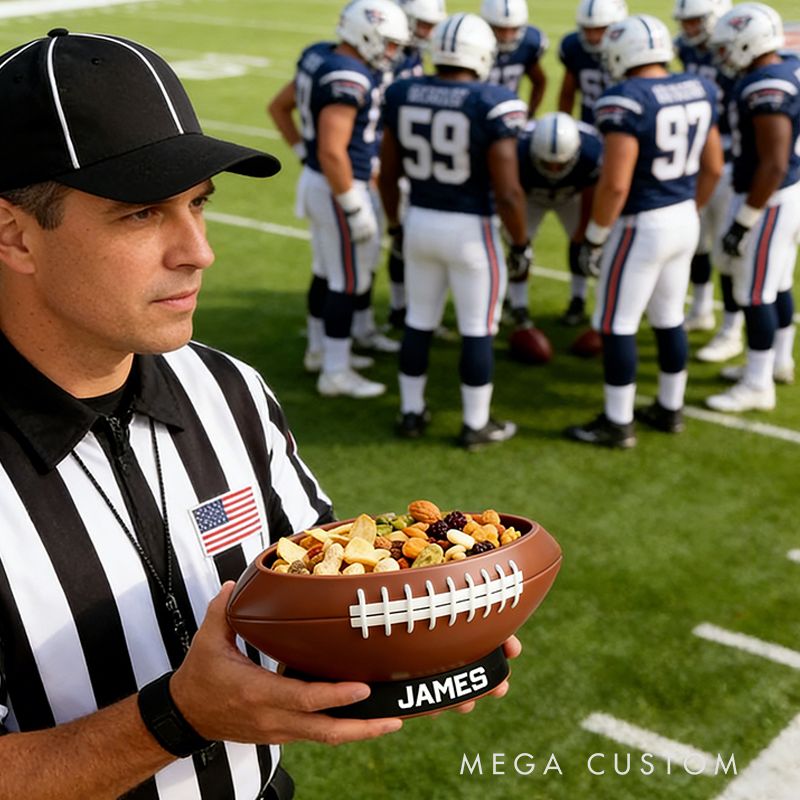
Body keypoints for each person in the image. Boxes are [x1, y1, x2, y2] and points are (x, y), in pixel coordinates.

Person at [0, 28, 521, 800]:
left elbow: (314, 601)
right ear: (15, 234)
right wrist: (176, 718)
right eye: (142, 215)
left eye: (198, 205)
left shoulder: (229, 389)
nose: (197, 250)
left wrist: (423, 638)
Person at [564, 14, 724, 448]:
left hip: (642, 223)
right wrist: (688, 209)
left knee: (616, 323)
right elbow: (713, 165)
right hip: (684, 216)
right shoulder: (698, 86)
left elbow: (615, 183)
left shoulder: (625, 98)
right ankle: (670, 410)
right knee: (669, 317)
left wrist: (594, 236)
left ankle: (618, 423)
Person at [379, 12, 530, 449]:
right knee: (477, 327)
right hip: (471, 231)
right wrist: (520, 242)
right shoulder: (492, 100)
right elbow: (509, 192)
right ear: (481, 55)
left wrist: (396, 225)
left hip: (420, 219)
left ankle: (410, 412)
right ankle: (476, 423)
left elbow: (387, 175)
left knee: (419, 320)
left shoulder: (404, 92)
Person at [267, 0, 409, 399]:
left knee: (327, 272)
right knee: (348, 281)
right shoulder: (349, 76)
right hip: (339, 186)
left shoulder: (319, 56)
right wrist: (352, 203)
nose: (392, 53)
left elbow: (279, 108)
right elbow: (332, 149)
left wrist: (302, 154)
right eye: (391, 43)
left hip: (322, 180)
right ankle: (334, 370)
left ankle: (318, 351)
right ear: (367, 33)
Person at [704, 2, 800, 412]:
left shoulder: (764, 86)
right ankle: (778, 361)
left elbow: (774, 162)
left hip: (769, 197)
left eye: (729, 46)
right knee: (776, 284)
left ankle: (758, 384)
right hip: (786, 192)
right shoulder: (784, 68)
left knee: (755, 292)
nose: (724, 55)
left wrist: (744, 219)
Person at [672, 0, 747, 353]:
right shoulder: (685, 48)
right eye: (685, 21)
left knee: (727, 251)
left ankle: (732, 329)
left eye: (696, 20)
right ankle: (701, 308)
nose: (689, 29)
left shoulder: (737, 50)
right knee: (696, 242)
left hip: (731, 160)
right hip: (694, 158)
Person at [383, 0, 448, 331]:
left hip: (408, 158)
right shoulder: (385, 53)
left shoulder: (414, 56)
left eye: (433, 25)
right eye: (422, 24)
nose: (428, 32)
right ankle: (396, 308)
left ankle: (408, 309)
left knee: (407, 241)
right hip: (383, 159)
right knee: (395, 240)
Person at [511, 112, 603, 329]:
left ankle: (578, 300)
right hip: (531, 196)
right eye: (546, 163)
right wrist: (519, 237)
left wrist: (584, 233)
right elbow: (512, 192)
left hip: (572, 196)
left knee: (582, 245)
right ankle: (518, 305)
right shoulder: (517, 149)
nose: (553, 170)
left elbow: (592, 191)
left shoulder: (591, 150)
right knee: (519, 246)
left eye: (560, 164)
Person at [558, 0, 628, 126]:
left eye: (600, 29)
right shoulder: (574, 47)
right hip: (589, 122)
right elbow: (567, 93)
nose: (593, 36)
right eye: (587, 29)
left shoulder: (631, 49)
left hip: (623, 123)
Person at [480, 0, 549, 117]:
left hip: (510, 114)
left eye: (513, 29)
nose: (507, 36)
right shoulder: (475, 45)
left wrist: (530, 113)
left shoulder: (528, 44)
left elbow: (540, 81)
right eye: (500, 29)